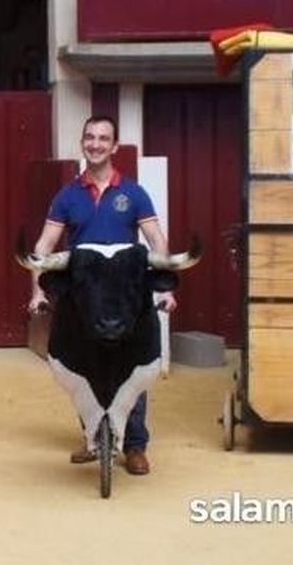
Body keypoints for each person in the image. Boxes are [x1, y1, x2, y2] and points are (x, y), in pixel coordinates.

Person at [27, 115, 176, 476]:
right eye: (90, 137)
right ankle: (93, 438)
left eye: (103, 138)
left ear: (114, 146)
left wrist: (167, 288)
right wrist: (37, 290)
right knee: (83, 364)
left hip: (126, 294)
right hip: (86, 295)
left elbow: (157, 241)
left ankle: (135, 445)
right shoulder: (67, 195)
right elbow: (44, 246)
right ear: (83, 143)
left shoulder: (134, 193)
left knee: (134, 364)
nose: (95, 144)